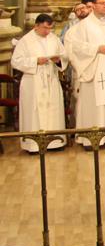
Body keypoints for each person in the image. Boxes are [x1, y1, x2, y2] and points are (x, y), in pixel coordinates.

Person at [65, 0, 105, 146]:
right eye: (102, 3)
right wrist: (98, 48)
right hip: (94, 68)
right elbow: (76, 47)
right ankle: (91, 139)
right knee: (93, 104)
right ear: (93, 5)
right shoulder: (84, 25)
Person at [11, 14, 68, 153]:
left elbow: (64, 56)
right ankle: (33, 145)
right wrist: (35, 61)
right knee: (34, 112)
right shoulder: (26, 41)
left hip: (51, 79)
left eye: (50, 28)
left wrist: (58, 60)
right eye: (45, 28)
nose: (48, 31)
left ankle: (55, 142)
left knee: (53, 109)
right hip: (33, 81)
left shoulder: (54, 39)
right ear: (36, 26)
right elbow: (16, 61)